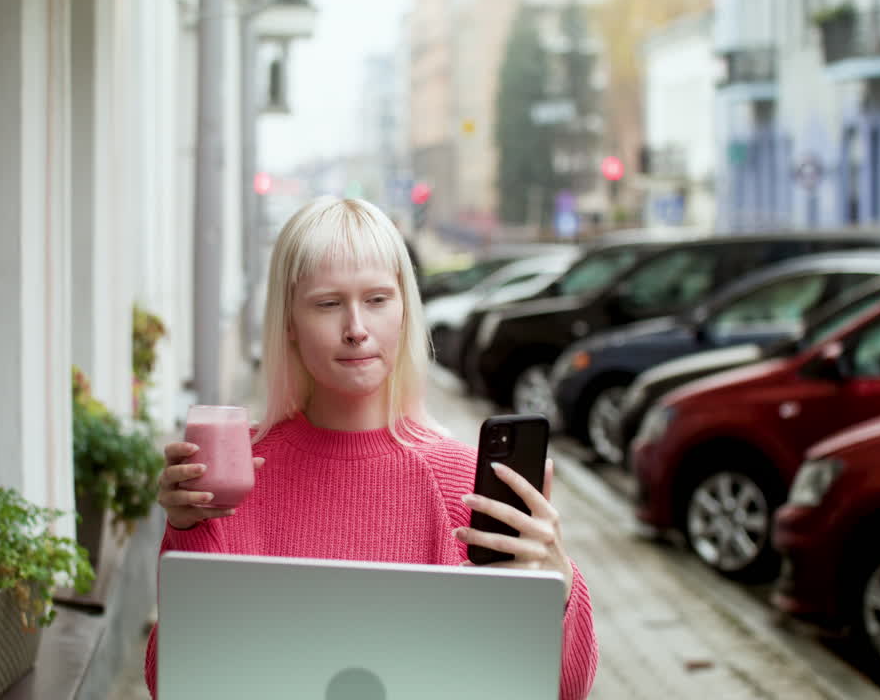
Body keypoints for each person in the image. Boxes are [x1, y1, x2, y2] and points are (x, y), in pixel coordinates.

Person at [145, 197, 598, 698]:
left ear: (405, 310)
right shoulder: (237, 477)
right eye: (328, 303)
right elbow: (171, 681)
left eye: (378, 299)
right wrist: (188, 530)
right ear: (288, 323)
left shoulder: (466, 486)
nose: (357, 328)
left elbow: (565, 688)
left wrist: (556, 586)